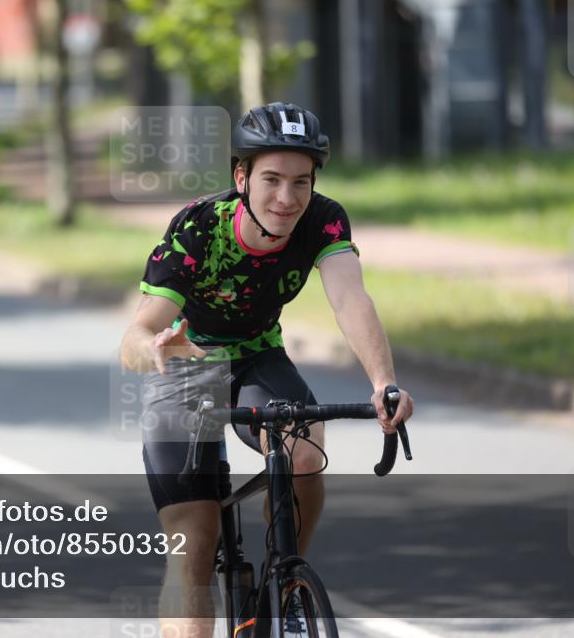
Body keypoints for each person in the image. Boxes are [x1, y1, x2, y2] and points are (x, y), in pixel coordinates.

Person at [119, 102, 415, 638]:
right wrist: (158, 348)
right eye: (272, 180)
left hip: (257, 354)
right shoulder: (199, 229)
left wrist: (382, 382)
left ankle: (287, 584)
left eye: (300, 182)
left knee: (304, 451)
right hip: (187, 366)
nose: (286, 199)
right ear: (241, 177)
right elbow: (134, 338)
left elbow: (350, 299)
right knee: (195, 537)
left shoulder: (323, 219)